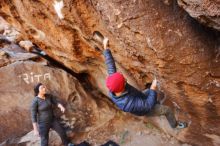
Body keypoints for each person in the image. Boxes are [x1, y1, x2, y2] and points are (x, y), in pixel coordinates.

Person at [95, 32, 187, 129]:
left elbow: (110, 66)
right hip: (146, 109)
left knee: (148, 93)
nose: (123, 76)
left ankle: (155, 101)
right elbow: (147, 105)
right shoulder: (128, 104)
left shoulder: (114, 85)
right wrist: (153, 88)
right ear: (121, 87)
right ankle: (175, 125)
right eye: (124, 80)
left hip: (139, 97)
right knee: (166, 109)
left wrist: (106, 47)